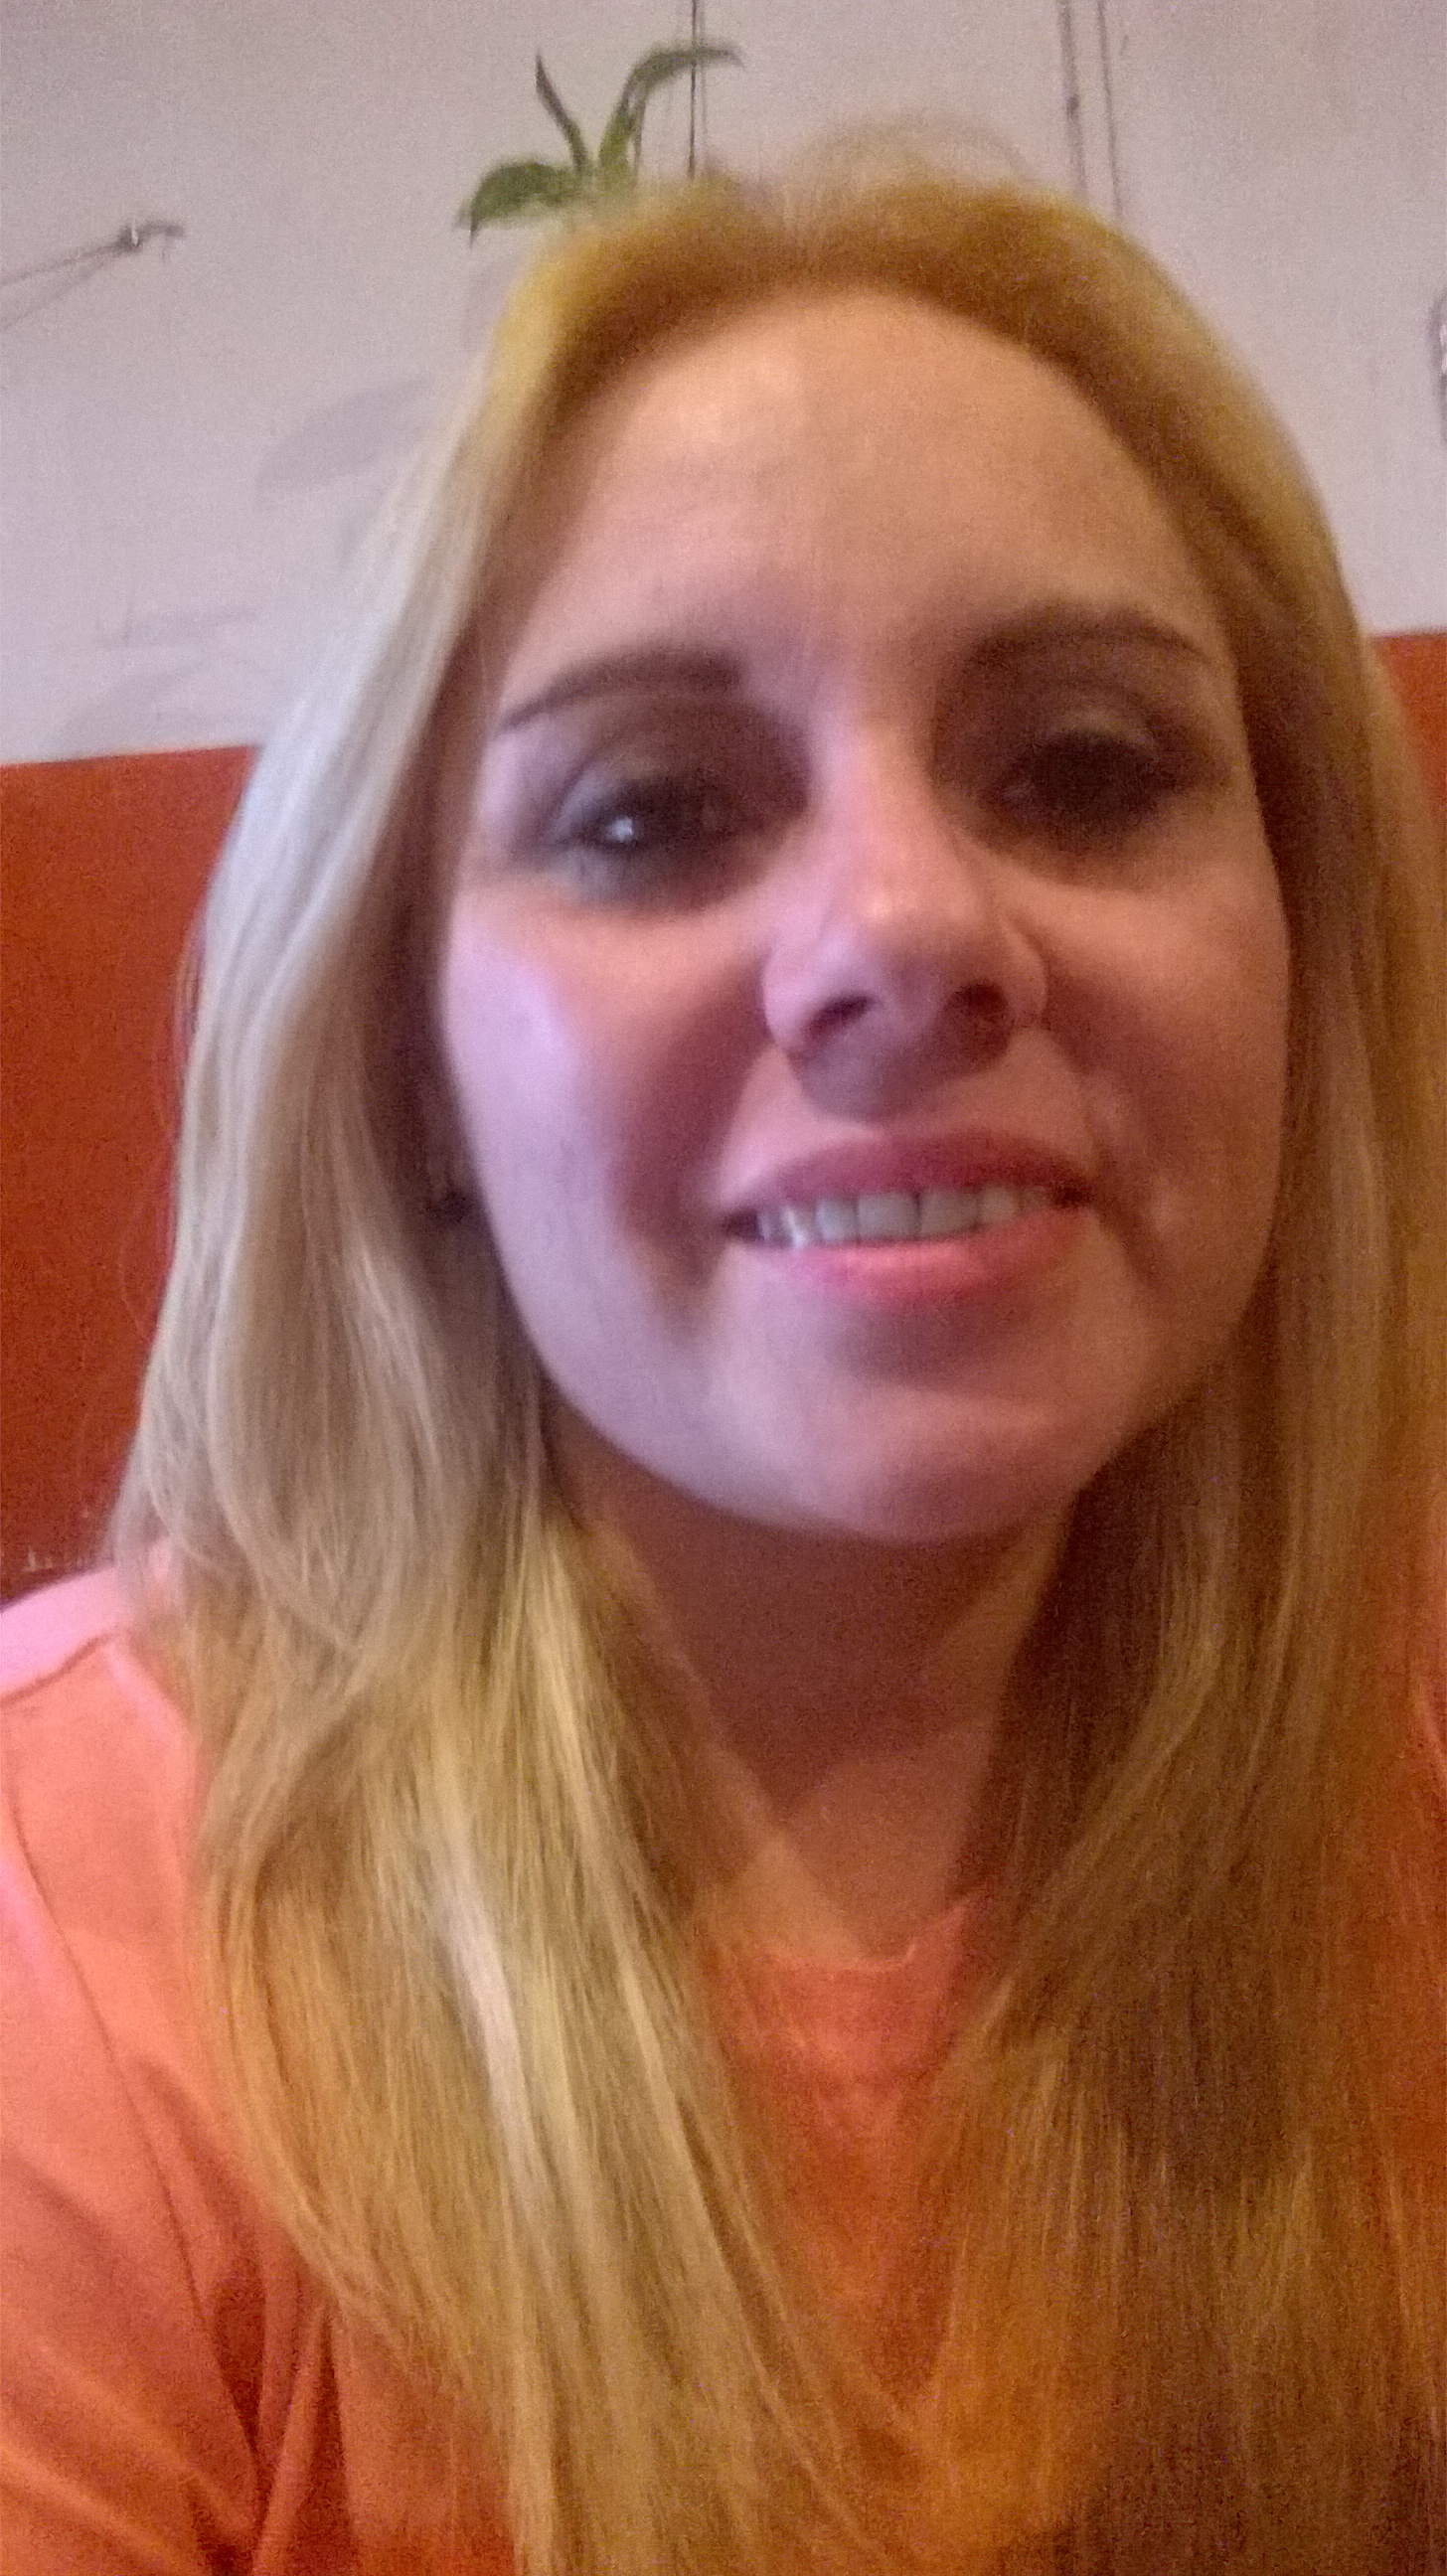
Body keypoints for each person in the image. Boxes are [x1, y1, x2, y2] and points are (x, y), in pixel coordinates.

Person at [2, 155, 1441, 2576]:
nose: (901, 923)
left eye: (1082, 767)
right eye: (652, 811)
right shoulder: (65, 1934)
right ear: (404, 1070)